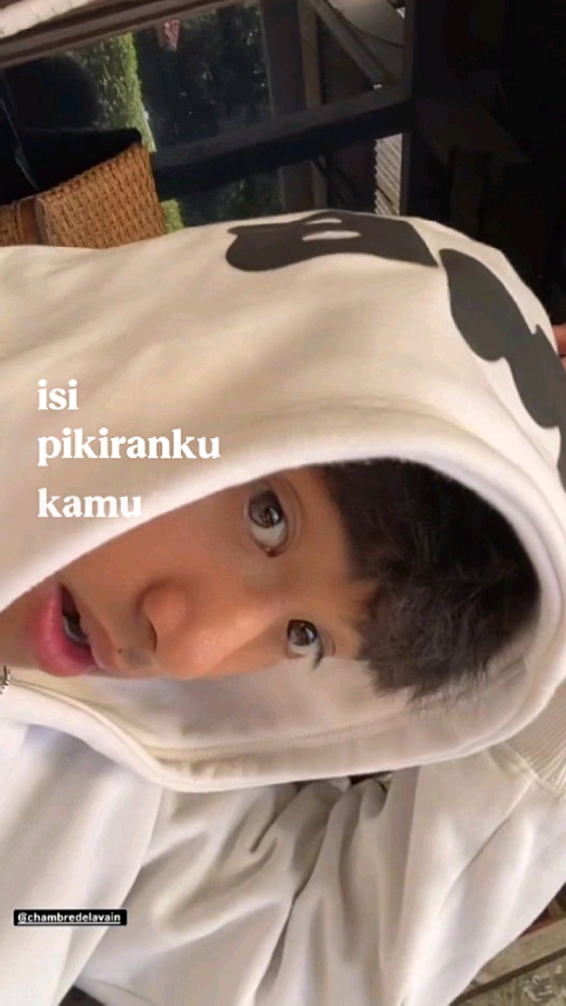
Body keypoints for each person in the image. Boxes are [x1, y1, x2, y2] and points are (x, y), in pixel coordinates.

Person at [1, 208, 566, 1006]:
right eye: (267, 515)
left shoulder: (108, 779)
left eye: (304, 637)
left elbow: (293, 965)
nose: (190, 651)